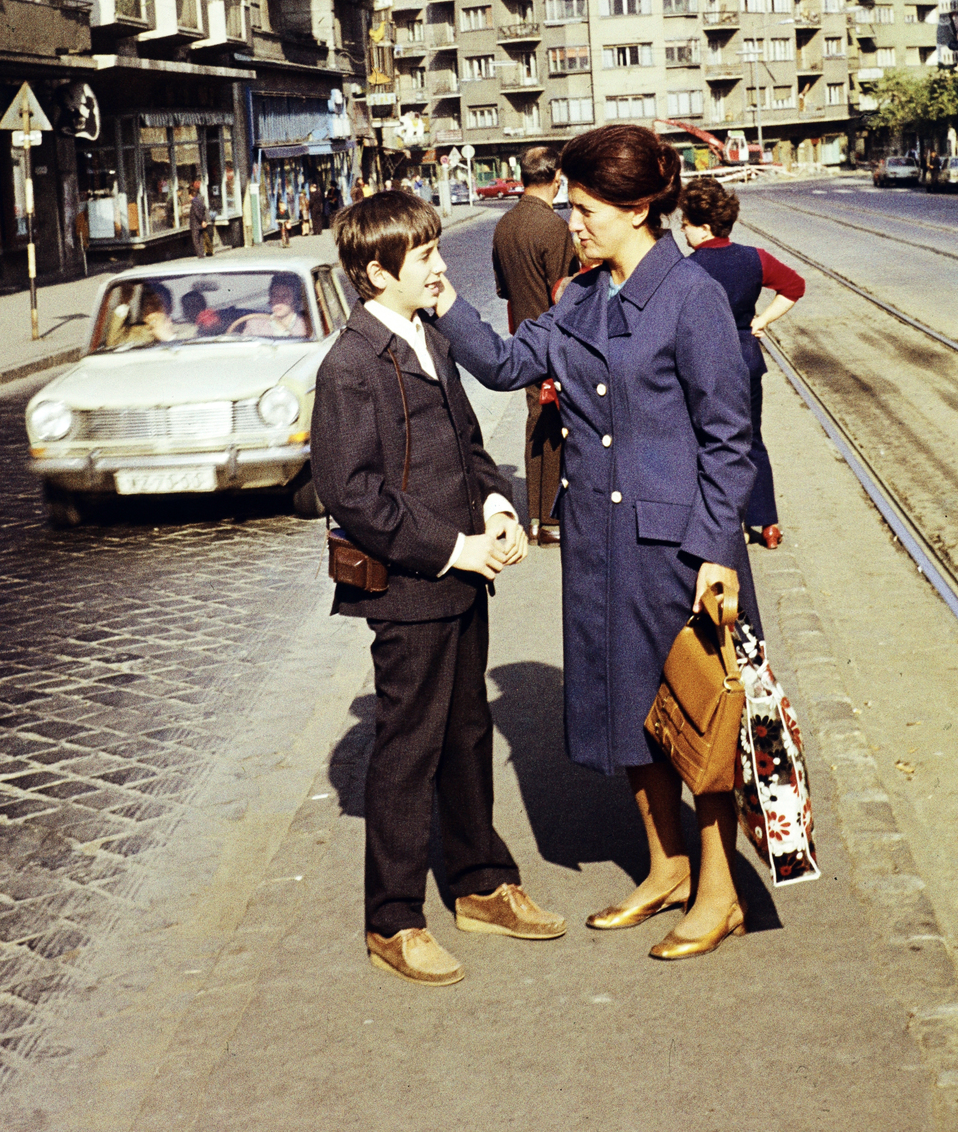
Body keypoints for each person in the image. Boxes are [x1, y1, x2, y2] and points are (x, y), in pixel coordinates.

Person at [434, 125, 763, 961]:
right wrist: (444, 304)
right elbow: (508, 366)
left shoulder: (689, 298)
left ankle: (719, 891)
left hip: (678, 552)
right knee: (628, 715)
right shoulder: (582, 298)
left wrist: (717, 552)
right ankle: (664, 869)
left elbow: (729, 439)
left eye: (583, 209)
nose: (570, 223)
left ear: (635, 207)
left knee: (697, 717)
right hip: (600, 544)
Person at [311, 192, 565, 987]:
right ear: (375, 271)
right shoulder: (349, 365)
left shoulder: (426, 337)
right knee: (405, 752)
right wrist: (454, 547)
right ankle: (392, 921)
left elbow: (465, 442)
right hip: (410, 589)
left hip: (460, 579)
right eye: (423, 256)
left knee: (464, 737)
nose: (439, 266)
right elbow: (352, 494)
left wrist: (495, 504)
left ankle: (480, 884)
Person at [678, 176, 805, 550]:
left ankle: (719, 522)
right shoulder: (755, 258)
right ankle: (767, 525)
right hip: (745, 361)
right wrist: (762, 320)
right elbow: (795, 286)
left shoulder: (686, 269)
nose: (682, 231)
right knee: (753, 441)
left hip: (702, 367)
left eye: (685, 224)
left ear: (702, 228)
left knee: (706, 443)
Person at [490, 145, 578, 547]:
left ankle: (537, 518)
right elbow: (565, 292)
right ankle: (553, 519)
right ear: (556, 180)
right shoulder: (554, 227)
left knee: (535, 424)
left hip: (523, 338)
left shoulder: (504, 225)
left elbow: (504, 289)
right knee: (559, 426)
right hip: (556, 339)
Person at [189, 180, 212, 258]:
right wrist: (204, 220)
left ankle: (200, 254)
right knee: (201, 239)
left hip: (196, 224)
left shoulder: (194, 202)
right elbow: (204, 210)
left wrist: (202, 220)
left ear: (190, 195)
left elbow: (197, 213)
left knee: (196, 240)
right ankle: (202, 252)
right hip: (201, 224)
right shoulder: (200, 201)